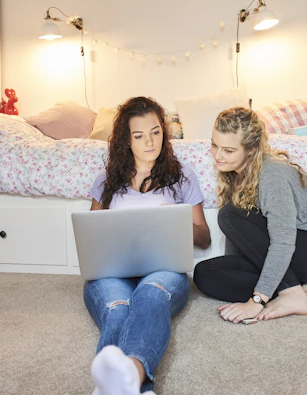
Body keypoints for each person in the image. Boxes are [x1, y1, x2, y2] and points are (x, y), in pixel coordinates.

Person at [193, 107, 307, 325]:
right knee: (205, 273)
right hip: (301, 264)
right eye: (214, 145)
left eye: (228, 150)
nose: (218, 156)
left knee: (229, 214)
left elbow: (283, 242)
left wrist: (257, 300)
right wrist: (233, 265)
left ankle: (291, 294)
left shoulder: (272, 173)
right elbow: (247, 238)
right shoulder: (237, 174)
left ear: (250, 149)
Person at [85, 96, 211, 395]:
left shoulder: (182, 176)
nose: (150, 142)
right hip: (111, 271)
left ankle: (129, 377)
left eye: (155, 132)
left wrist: (174, 221)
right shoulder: (106, 180)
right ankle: (133, 387)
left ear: (164, 132)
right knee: (118, 310)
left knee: (150, 296)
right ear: (126, 140)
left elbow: (204, 237)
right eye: (139, 135)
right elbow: (91, 234)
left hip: (163, 269)